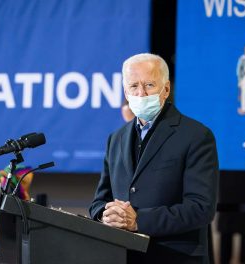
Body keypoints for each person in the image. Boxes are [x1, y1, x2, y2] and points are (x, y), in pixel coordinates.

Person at [89, 53, 219, 263]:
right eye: (134, 86)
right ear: (125, 91)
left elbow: (201, 208)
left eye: (149, 85)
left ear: (166, 89)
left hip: (174, 257)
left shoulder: (196, 136)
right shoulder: (116, 138)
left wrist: (138, 221)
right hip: (123, 255)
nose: (141, 93)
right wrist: (105, 214)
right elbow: (99, 200)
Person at [217, 171, 245, 264]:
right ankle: (244, 258)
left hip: (230, 180)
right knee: (244, 224)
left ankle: (227, 258)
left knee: (230, 223)